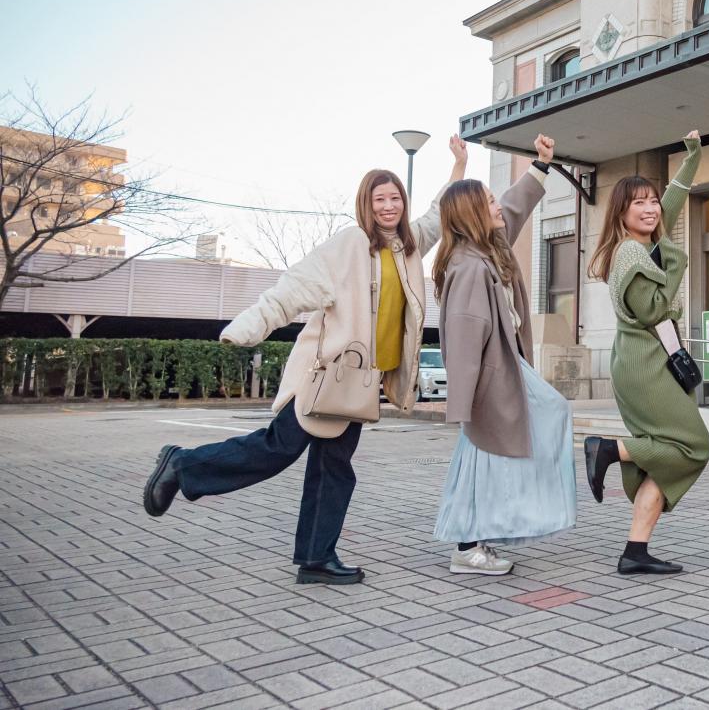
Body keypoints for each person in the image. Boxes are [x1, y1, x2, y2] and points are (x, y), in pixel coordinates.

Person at [141, 136, 468, 585]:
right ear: (366, 206)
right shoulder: (351, 244)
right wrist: (249, 326)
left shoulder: (409, 247)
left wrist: (460, 164)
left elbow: (438, 210)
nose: (389, 207)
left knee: (333, 468)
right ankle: (183, 464)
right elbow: (295, 287)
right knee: (278, 448)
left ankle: (316, 559)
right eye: (379, 200)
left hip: (359, 384)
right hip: (328, 376)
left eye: (395, 198)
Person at [432, 134, 575, 575]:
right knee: (492, 449)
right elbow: (461, 336)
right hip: (492, 380)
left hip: (506, 370)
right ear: (473, 214)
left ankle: (487, 535)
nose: (498, 206)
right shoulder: (470, 266)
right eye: (489, 201)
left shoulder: (489, 250)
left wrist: (540, 166)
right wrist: (466, 402)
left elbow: (514, 207)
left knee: (503, 447)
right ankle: (468, 546)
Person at [583, 131, 708, 574]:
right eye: (639, 202)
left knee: (664, 452)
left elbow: (674, 198)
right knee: (694, 446)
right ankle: (609, 450)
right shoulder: (630, 254)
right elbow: (654, 309)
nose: (652, 207)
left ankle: (635, 551)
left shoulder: (647, 239)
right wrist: (675, 261)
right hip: (642, 362)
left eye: (652, 200)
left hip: (656, 359)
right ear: (622, 211)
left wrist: (693, 157)